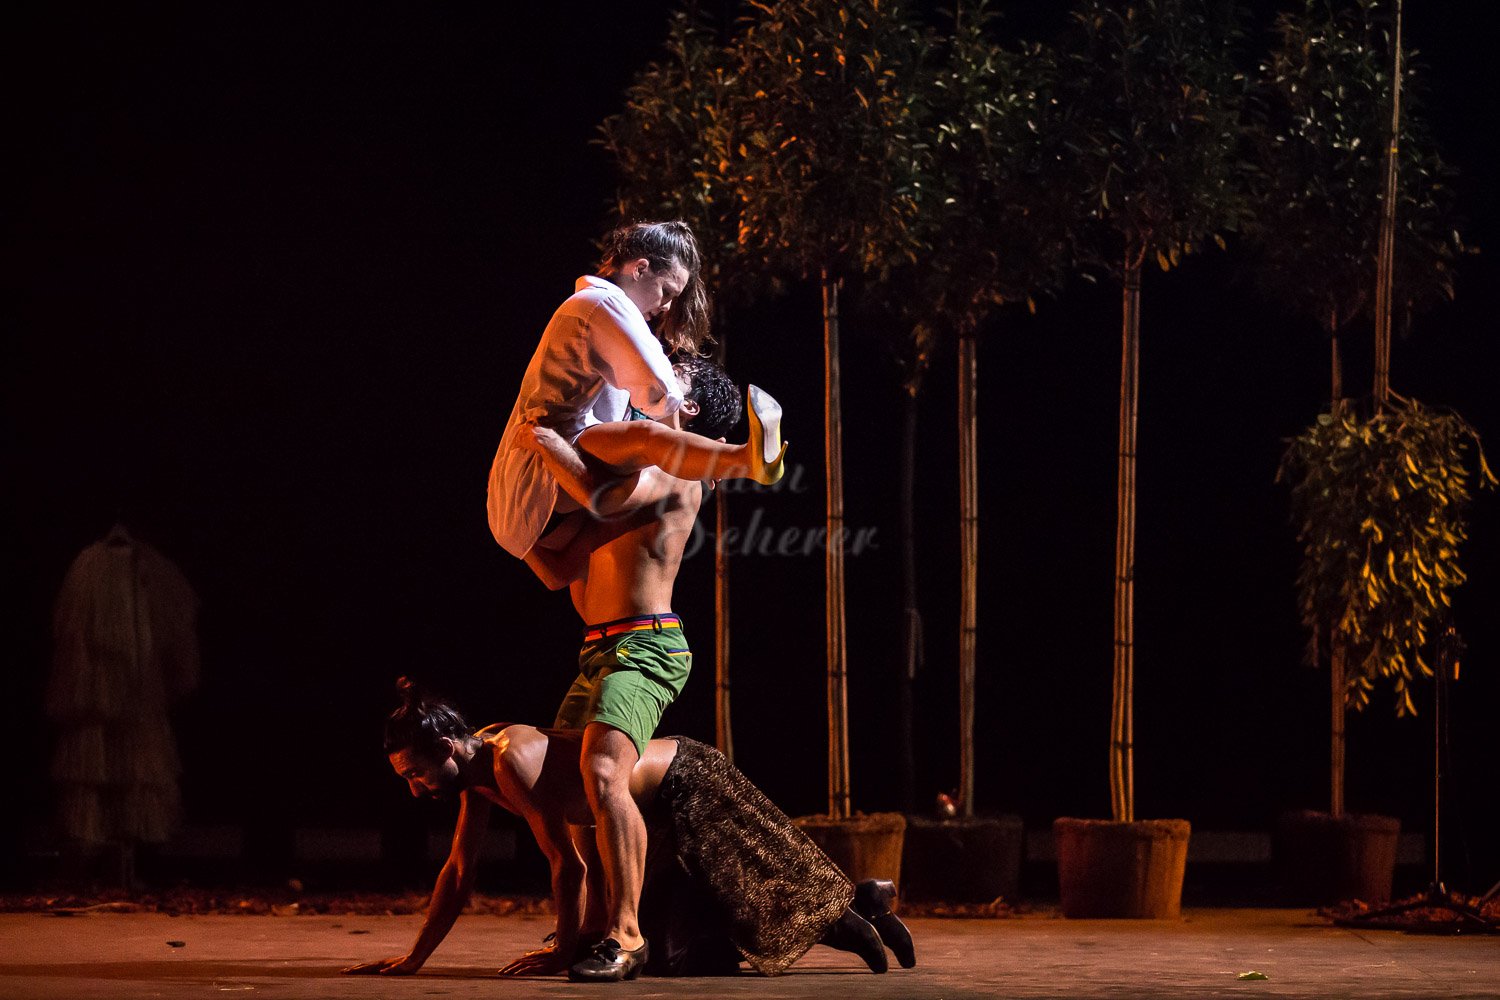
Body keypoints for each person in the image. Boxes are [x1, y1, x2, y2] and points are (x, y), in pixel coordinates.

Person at [343, 681, 915, 979]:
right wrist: (414, 958)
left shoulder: (508, 758)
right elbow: (459, 871)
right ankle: (863, 900)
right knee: (672, 953)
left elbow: (568, 864)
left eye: (416, 774)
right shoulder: (474, 778)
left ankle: (854, 910)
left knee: (752, 897)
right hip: (648, 815)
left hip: (685, 780)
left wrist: (565, 950)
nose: (415, 789)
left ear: (447, 747)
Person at [513, 357, 759, 980]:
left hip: (646, 646)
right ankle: (590, 930)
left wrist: (547, 444)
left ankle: (626, 935)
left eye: (671, 370)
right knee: (573, 792)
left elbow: (597, 496)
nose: (647, 370)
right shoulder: (630, 466)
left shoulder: (678, 472)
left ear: (688, 407)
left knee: (602, 771)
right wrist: (509, 514)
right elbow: (556, 569)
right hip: (598, 648)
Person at [487, 220, 709, 564]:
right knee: (664, 463)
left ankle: (720, 459)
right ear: (640, 269)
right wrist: (688, 456)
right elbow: (662, 392)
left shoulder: (596, 308)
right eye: (666, 291)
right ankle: (741, 459)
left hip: (530, 509)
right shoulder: (604, 304)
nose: (666, 307)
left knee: (662, 465)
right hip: (549, 487)